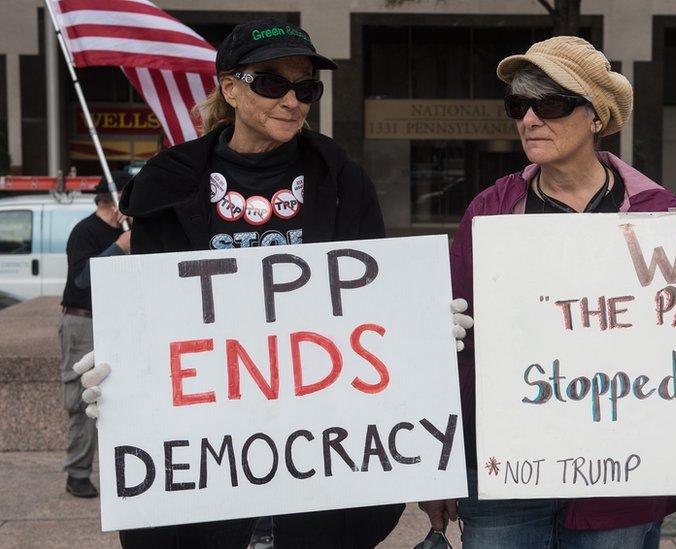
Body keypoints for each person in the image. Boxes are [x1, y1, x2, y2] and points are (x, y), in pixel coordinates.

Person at [71, 17, 469, 548]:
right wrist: (120, 380)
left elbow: (372, 307)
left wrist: (420, 331)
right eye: (271, 83)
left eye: (306, 87)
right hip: (204, 469)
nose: (292, 100)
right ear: (231, 89)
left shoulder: (342, 181)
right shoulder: (167, 187)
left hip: (322, 470)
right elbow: (151, 319)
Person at [419, 36, 676, 549]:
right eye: (519, 106)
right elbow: (452, 348)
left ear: (596, 117)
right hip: (505, 470)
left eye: (552, 104)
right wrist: (439, 465)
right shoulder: (493, 210)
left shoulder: (658, 215)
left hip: (622, 479)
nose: (530, 120)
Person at [59, 172, 131, 498]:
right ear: (112, 200)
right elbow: (82, 280)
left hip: (116, 320)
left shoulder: (130, 231)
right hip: (83, 323)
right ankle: (77, 472)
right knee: (81, 398)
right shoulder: (85, 232)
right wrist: (118, 248)